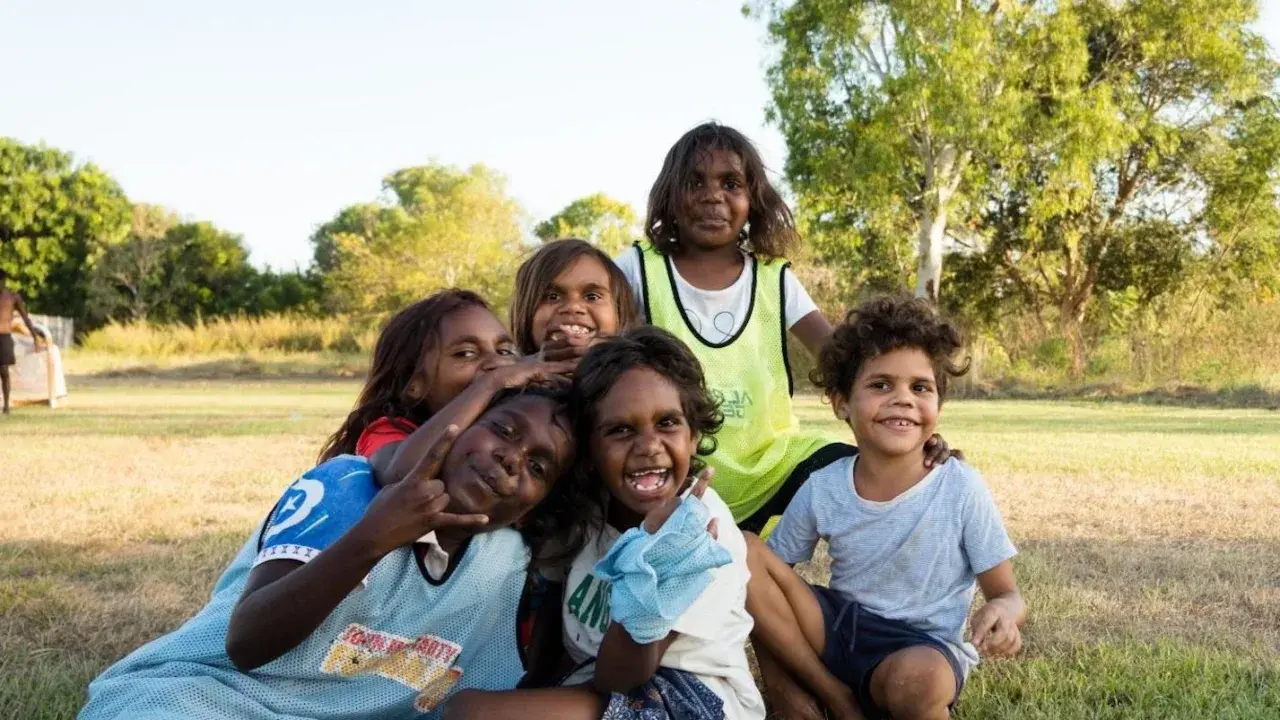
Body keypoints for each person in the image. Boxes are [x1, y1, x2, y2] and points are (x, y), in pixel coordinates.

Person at [79, 385, 589, 720]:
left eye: (539, 467)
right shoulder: (349, 486)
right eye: (502, 429)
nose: (511, 457)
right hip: (211, 695)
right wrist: (372, 537)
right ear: (454, 424)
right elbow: (247, 641)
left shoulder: (507, 564)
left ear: (532, 510)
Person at [613, 123, 951, 532]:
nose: (712, 194)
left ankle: (881, 588)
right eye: (694, 181)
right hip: (674, 465)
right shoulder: (638, 268)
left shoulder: (775, 279)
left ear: (753, 200)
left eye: (731, 183)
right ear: (670, 195)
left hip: (773, 467)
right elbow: (600, 362)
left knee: (868, 466)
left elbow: (845, 362)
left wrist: (909, 438)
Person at [445, 327, 765, 720]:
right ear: (590, 449)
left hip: (689, 698)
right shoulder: (589, 509)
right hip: (594, 682)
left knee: (470, 712)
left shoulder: (700, 534)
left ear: (694, 436)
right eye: (620, 430)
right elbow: (553, 631)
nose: (648, 446)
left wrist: (653, 575)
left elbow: (621, 678)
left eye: (667, 423)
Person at [746, 296, 1027, 720]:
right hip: (840, 631)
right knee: (746, 552)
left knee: (919, 683)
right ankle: (825, 701)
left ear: (938, 406)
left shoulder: (959, 486)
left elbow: (1007, 592)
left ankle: (864, 700)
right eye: (880, 385)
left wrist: (1003, 612)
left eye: (920, 387)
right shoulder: (825, 486)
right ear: (842, 402)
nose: (903, 399)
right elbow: (770, 581)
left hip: (922, 648)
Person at [0, 268, 46, 415]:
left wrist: (35, 338)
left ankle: (6, 405)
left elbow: (26, 319)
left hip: (5, 337)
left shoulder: (12, 297)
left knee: (4, 371)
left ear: (4, 281)